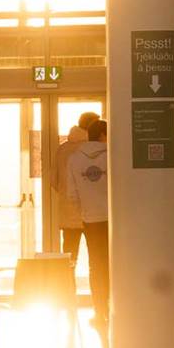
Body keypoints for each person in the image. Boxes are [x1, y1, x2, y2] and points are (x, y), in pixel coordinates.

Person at [64, 118, 110, 329]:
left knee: (95, 265)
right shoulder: (112, 156)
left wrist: (84, 208)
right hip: (114, 219)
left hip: (90, 218)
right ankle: (117, 308)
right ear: (103, 135)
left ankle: (99, 311)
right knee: (115, 265)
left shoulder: (74, 159)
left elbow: (72, 194)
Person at [49, 111, 99, 270]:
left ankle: (67, 292)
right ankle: (100, 294)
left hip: (68, 213)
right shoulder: (97, 150)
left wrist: (67, 195)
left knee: (69, 260)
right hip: (94, 213)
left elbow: (54, 181)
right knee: (97, 258)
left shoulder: (62, 149)